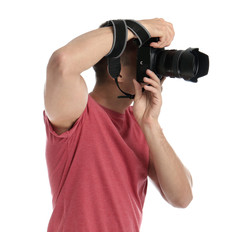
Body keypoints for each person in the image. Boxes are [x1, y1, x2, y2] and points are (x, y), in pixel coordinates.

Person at [43, 18, 193, 232]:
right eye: (144, 59)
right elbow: (62, 62)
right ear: (118, 71)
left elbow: (183, 197)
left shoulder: (141, 125)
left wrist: (151, 124)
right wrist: (139, 28)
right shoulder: (78, 113)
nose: (155, 71)